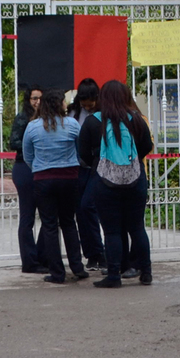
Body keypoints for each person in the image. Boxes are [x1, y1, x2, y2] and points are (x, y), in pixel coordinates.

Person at [77, 80, 155, 287]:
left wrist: (98, 161)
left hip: (104, 182)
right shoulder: (136, 120)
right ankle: (146, 272)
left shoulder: (93, 122)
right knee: (137, 227)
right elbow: (147, 146)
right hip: (135, 180)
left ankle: (113, 276)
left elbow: (82, 153)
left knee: (111, 231)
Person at [22, 89, 89, 283]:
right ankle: (77, 267)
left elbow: (28, 155)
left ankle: (57, 272)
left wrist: (39, 168)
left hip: (43, 179)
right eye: (63, 102)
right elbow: (80, 150)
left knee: (50, 225)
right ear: (59, 104)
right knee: (69, 222)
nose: (66, 105)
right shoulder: (72, 124)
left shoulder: (33, 127)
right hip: (69, 177)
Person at [68, 77, 106, 269]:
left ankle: (100, 251)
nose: (88, 107)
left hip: (97, 167)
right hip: (78, 167)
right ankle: (91, 254)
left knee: (88, 207)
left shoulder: (103, 114)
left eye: (91, 103)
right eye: (85, 104)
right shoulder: (72, 113)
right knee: (80, 212)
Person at [8, 87, 44, 273]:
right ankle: (30, 262)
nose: (37, 102)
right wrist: (30, 140)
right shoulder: (23, 118)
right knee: (27, 217)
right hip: (25, 168)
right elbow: (13, 142)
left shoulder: (47, 119)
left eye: (40, 98)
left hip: (43, 169)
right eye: (34, 98)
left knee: (48, 216)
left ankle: (42, 256)